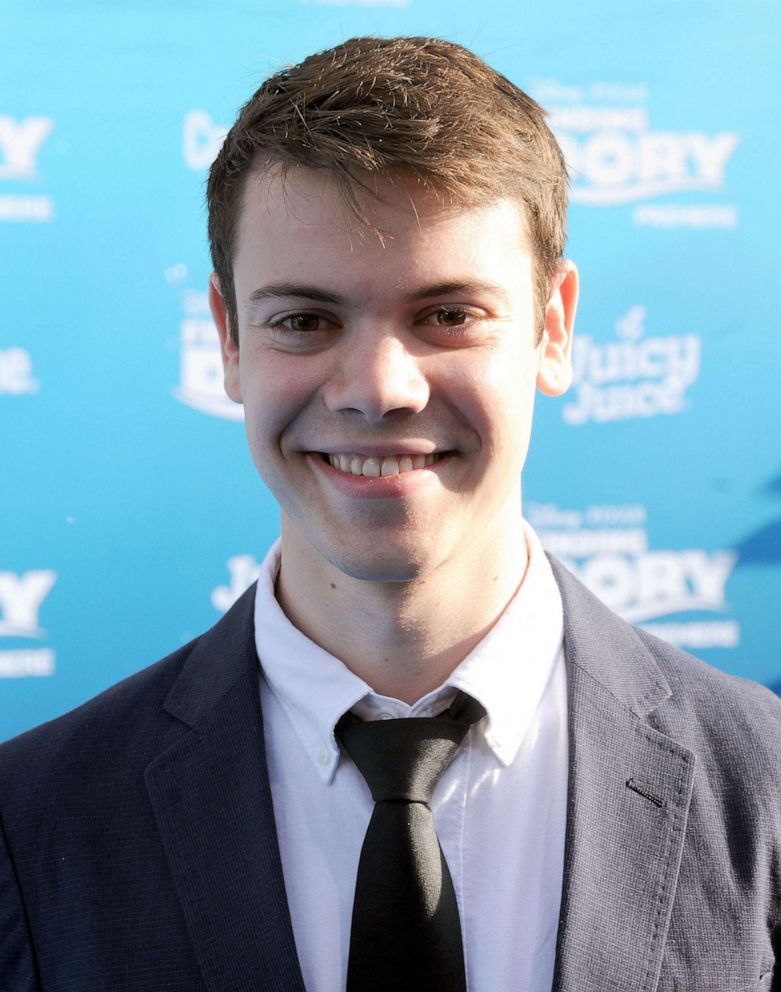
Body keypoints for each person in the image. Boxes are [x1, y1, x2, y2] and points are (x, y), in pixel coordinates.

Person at [1, 35, 780, 992]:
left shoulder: (765, 787)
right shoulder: (33, 819)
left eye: (447, 315)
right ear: (227, 340)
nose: (378, 389)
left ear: (552, 327)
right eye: (305, 320)